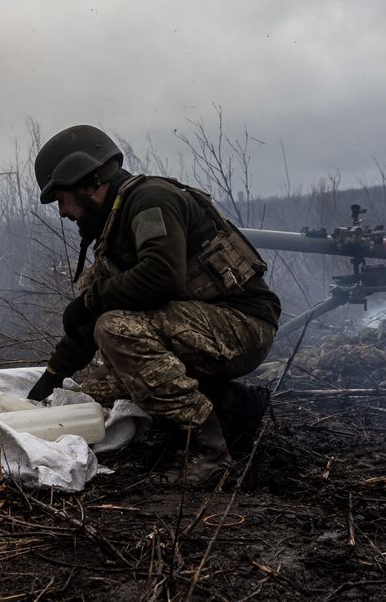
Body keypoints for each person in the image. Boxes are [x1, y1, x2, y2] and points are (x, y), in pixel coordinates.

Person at [26, 124, 281, 484]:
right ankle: (231, 408)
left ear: (87, 181)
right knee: (94, 394)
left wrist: (91, 301)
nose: (63, 212)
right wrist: (48, 382)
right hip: (201, 329)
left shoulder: (150, 200)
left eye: (60, 198)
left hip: (242, 325)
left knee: (115, 329)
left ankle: (207, 448)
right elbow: (85, 326)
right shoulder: (114, 226)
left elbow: (161, 275)